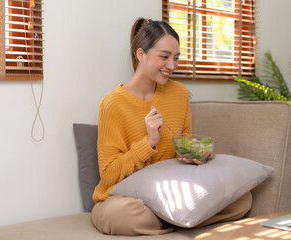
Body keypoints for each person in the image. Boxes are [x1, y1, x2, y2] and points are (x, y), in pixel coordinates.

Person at [91, 17, 252, 236]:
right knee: (119, 215)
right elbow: (109, 177)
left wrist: (195, 156)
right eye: (164, 57)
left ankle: (174, 218)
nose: (172, 66)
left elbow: (182, 151)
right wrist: (148, 143)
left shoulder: (179, 94)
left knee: (242, 198)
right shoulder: (112, 104)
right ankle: (182, 220)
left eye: (176, 58)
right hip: (127, 200)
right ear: (141, 54)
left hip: (170, 195)